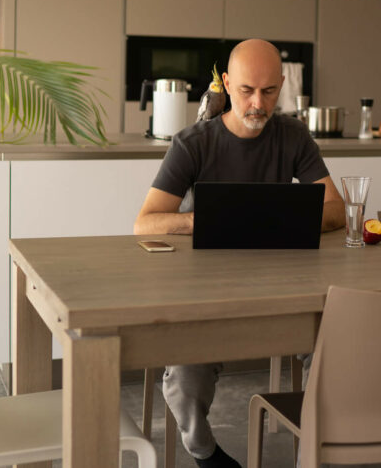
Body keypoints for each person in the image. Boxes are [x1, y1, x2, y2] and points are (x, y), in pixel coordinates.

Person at [134, 38, 345, 468]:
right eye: (247, 90)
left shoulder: (293, 136)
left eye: (269, 92)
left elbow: (336, 209)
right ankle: (204, 452)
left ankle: (316, 454)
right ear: (227, 84)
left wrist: (279, 217)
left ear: (282, 85)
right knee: (186, 376)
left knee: (333, 344)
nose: (257, 104)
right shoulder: (191, 143)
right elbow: (146, 222)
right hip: (203, 289)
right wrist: (214, 219)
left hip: (283, 285)